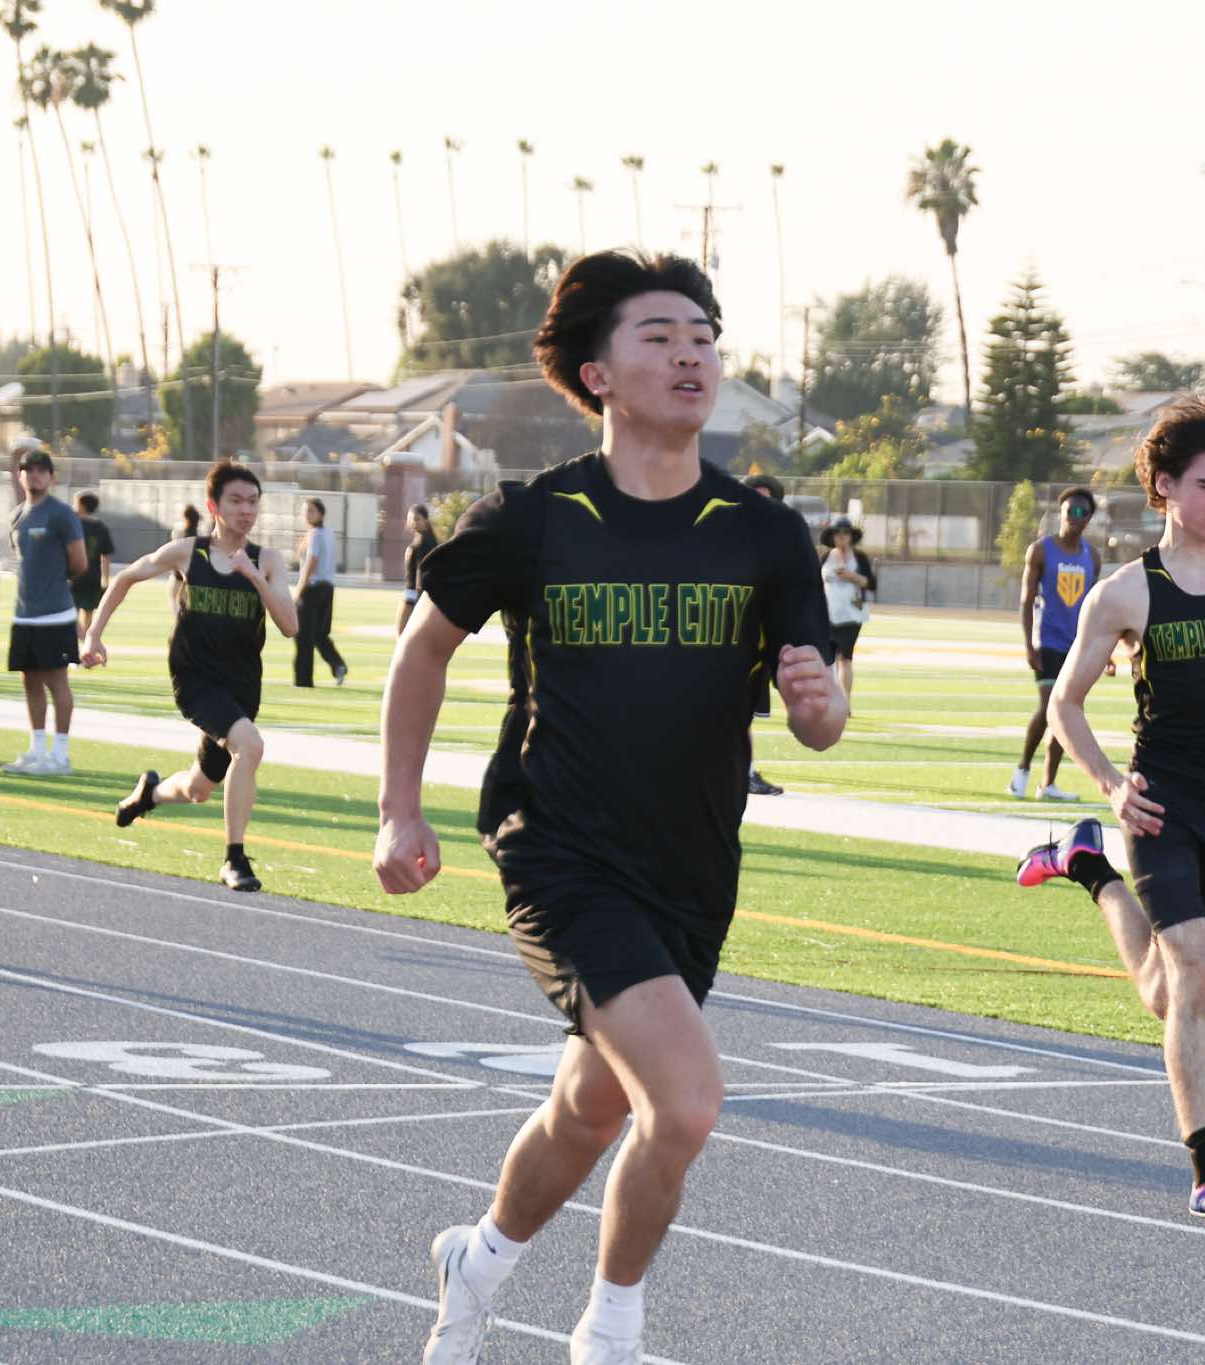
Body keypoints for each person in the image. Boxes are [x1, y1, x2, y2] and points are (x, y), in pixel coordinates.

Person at [376, 250, 845, 1365]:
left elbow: (819, 719)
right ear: (595, 373)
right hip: (560, 853)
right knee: (683, 1102)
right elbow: (422, 648)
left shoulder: (762, 532)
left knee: (589, 1109)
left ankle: (477, 1260)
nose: (691, 356)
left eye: (703, 337)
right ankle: (609, 1333)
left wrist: (819, 703)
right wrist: (399, 809)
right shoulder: (534, 519)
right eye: (659, 336)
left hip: (691, 868)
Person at [1015, 397, 1205, 1226]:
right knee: (1198, 978)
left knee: (1166, 992)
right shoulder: (1125, 593)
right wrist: (1112, 785)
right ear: (1165, 486)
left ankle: (1086, 866)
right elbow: (1065, 703)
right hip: (1158, 807)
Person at [83, 462, 299, 893]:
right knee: (250, 746)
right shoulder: (188, 552)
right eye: (236, 501)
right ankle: (234, 859)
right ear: (213, 506)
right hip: (195, 680)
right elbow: (126, 577)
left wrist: (255, 578)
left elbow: (290, 626)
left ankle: (149, 795)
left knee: (200, 787)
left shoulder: (266, 560)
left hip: (241, 685)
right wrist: (93, 634)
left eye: (253, 502)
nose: (246, 510)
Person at [1009, 487, 1103, 802]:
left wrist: (1101, 648)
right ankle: (1022, 770)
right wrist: (1029, 645)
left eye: (1082, 512)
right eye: (1070, 510)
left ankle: (1048, 784)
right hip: (1047, 641)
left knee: (1069, 712)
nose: (1075, 517)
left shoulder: (1092, 557)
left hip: (1077, 646)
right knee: (1050, 707)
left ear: (1088, 519)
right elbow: (1026, 600)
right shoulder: (1041, 550)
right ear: (1060, 513)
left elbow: (1093, 606)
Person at [3, 441, 88, 775]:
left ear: (51, 477)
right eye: (29, 470)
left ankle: (60, 755)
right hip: (24, 614)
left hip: (55, 614)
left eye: (41, 470)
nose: (35, 476)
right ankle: (37, 750)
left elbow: (79, 562)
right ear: (20, 475)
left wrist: (55, 584)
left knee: (57, 683)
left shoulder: (61, 514)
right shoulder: (16, 516)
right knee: (30, 682)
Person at [742, 473, 788, 796]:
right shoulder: (724, 536)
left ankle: (743, 771)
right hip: (723, 639)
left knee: (743, 712)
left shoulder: (781, 542)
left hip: (758, 641)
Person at [293, 497, 348, 686]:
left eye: (311, 510)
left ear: (321, 513)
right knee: (319, 634)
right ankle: (338, 664)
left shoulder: (315, 534)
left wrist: (298, 591)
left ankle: (303, 680)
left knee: (304, 636)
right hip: (327, 588)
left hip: (312, 589)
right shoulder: (328, 533)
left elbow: (312, 562)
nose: (306, 514)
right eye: (305, 511)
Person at [820, 517, 873, 704]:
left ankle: (845, 702)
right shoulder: (825, 557)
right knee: (826, 660)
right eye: (837, 533)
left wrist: (852, 576)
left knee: (845, 659)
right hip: (827, 615)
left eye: (845, 533)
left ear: (851, 536)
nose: (841, 537)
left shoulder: (859, 558)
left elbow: (870, 583)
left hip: (851, 615)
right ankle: (828, 701)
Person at [70, 490, 116, 636]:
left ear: (82, 506)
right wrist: (105, 579)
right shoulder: (101, 527)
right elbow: (106, 556)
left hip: (72, 576)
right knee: (88, 612)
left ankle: (80, 637)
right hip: (93, 577)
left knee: (70, 612)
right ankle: (86, 639)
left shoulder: (72, 524)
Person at [397, 502, 439, 635]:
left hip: (414, 594)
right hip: (413, 593)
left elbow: (423, 573)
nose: (412, 522)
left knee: (403, 635)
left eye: (416, 519)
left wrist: (418, 599)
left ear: (425, 520)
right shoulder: (421, 539)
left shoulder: (425, 542)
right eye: (410, 519)